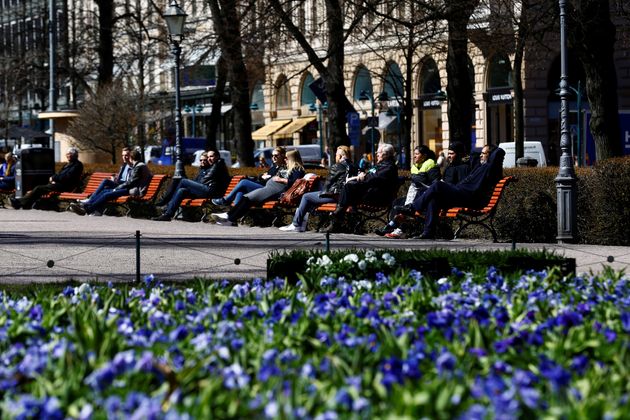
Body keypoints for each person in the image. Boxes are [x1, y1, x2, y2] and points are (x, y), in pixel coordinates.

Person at [396, 144, 505, 239]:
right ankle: (428, 232)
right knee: (434, 197)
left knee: (437, 185)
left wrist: (494, 152)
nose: (481, 155)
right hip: (463, 194)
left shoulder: (490, 168)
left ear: (491, 155)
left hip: (469, 197)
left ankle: (413, 208)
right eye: (481, 153)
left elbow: (499, 152)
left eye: (484, 153)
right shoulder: (481, 166)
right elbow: (474, 155)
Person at [212, 149, 305, 226]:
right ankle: (229, 218)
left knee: (248, 198)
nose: (285, 160)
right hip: (270, 188)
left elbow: (295, 182)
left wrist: (281, 179)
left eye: (286, 158)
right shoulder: (290, 169)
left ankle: (229, 217)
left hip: (275, 191)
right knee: (247, 198)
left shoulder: (298, 169)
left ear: (292, 159)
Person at [323, 143, 398, 233]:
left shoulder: (389, 167)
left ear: (386, 154)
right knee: (349, 187)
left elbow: (373, 178)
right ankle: (340, 219)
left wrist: (361, 177)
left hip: (378, 198)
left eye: (378, 152)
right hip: (372, 193)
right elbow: (370, 175)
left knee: (349, 186)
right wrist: (362, 175)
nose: (377, 154)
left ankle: (338, 216)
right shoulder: (382, 165)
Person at [279, 145, 355, 232]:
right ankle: (301, 224)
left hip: (335, 196)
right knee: (312, 197)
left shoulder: (337, 166)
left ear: (340, 156)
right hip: (348, 198)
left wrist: (321, 193)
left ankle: (296, 224)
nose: (336, 157)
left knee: (306, 197)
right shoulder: (355, 166)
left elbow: (328, 184)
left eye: (336, 155)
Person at [377, 145, 439, 237]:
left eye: (417, 154)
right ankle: (393, 227)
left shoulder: (431, 164)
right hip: (415, 195)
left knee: (405, 207)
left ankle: (398, 229)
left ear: (424, 156)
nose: (414, 156)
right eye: (414, 154)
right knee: (397, 202)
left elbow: (435, 184)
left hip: (425, 197)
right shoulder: (415, 166)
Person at [152, 149, 231, 221]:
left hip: (211, 191)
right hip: (207, 190)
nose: (209, 158)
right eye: (208, 157)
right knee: (181, 190)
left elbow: (204, 180)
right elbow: (203, 180)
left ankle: (166, 203)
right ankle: (168, 214)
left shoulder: (218, 164)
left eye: (211, 156)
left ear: (217, 156)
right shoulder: (213, 165)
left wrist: (193, 184)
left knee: (183, 181)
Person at [68, 149, 151, 216]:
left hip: (132, 190)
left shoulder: (138, 167)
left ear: (131, 158)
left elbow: (131, 182)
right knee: (105, 191)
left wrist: (117, 188)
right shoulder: (138, 166)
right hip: (130, 188)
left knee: (107, 194)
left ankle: (87, 209)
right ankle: (86, 207)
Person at [10, 147, 84, 210]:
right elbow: (60, 174)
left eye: (70, 154)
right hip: (59, 184)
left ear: (75, 155)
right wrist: (54, 179)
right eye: (67, 154)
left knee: (39, 188)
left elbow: (67, 177)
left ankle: (19, 203)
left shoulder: (77, 165)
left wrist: (54, 178)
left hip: (66, 186)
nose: (68, 156)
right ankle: (25, 204)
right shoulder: (67, 164)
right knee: (39, 188)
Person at [212, 147, 287, 207]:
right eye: (272, 155)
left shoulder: (284, 167)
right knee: (241, 191)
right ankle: (233, 213)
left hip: (266, 189)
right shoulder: (274, 166)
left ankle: (226, 200)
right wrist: (263, 176)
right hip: (261, 185)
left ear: (282, 155)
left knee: (243, 182)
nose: (274, 157)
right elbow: (262, 176)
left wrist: (267, 177)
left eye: (276, 155)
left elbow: (275, 180)